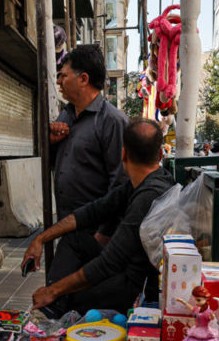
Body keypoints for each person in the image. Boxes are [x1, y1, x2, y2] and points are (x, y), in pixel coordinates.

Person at [24, 118, 175, 315]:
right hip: (123, 271)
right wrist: (40, 239)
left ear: (123, 154)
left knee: (67, 298)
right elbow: (91, 212)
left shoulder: (148, 196)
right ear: (160, 154)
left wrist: (53, 290)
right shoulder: (147, 181)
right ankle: (54, 306)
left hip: (136, 289)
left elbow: (108, 262)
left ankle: (54, 307)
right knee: (75, 239)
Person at [44, 44, 128, 317]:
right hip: (69, 229)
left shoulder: (112, 121)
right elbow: (53, 164)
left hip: (95, 235)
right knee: (62, 301)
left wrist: (104, 232)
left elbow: (120, 181)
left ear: (83, 79)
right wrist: (51, 142)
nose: (59, 81)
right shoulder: (66, 116)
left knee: (87, 303)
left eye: (63, 75)